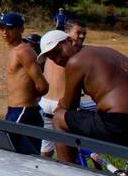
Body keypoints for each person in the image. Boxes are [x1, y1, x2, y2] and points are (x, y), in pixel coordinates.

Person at [41, 30, 128, 176]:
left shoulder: (75, 61)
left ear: (70, 41)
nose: (57, 58)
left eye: (57, 51)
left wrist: (59, 109)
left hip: (122, 123)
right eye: (51, 57)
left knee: (59, 119)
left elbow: (69, 106)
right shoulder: (108, 52)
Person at [39, 19, 91, 162]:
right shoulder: (72, 53)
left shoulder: (52, 50)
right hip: (60, 106)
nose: (81, 36)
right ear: (66, 34)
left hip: (45, 104)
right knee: (70, 149)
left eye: (84, 34)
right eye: (78, 33)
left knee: (46, 150)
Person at [0, 11, 49, 155]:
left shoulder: (24, 51)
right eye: (2, 28)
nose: (5, 32)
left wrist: (28, 97)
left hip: (24, 111)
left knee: (18, 155)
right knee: (12, 154)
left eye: (9, 28)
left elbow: (43, 86)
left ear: (21, 29)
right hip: (15, 110)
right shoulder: (13, 50)